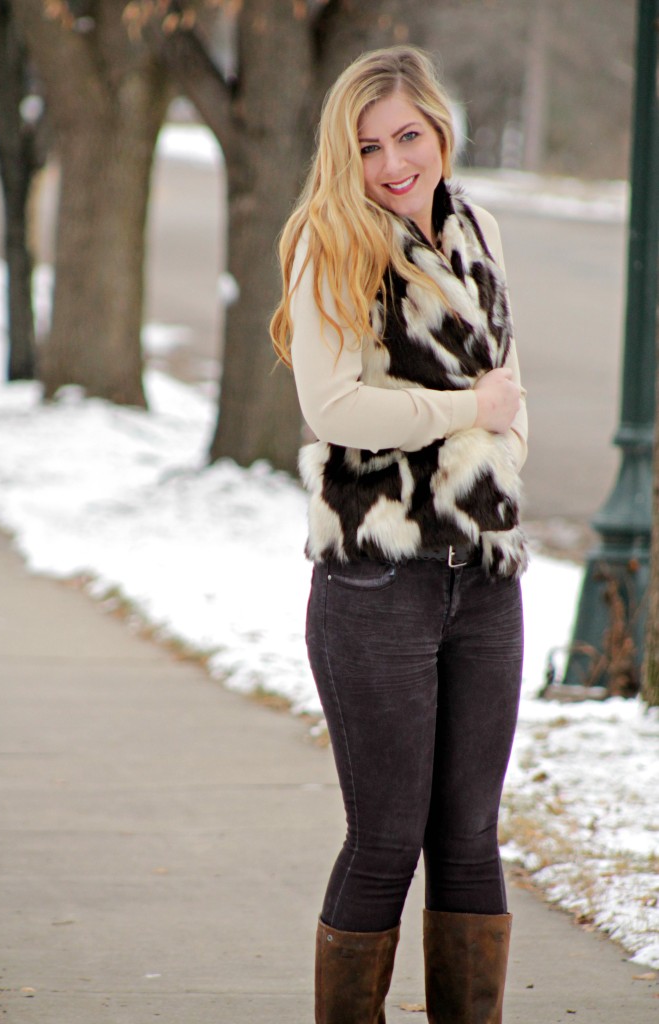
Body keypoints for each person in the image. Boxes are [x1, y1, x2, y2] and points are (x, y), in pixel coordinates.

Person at [270, 45, 528, 1024]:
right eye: (369, 145)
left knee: (468, 833)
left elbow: (511, 382)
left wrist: (503, 448)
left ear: (439, 129)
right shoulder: (329, 239)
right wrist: (470, 411)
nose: (391, 162)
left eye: (407, 136)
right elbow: (335, 407)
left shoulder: (478, 228)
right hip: (378, 579)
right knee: (384, 837)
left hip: (484, 576)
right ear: (347, 153)